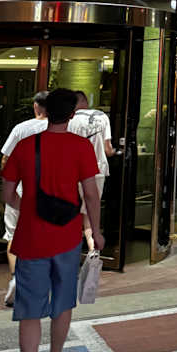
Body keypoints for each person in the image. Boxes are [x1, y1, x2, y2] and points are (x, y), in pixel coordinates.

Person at [1, 87, 103, 352]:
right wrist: (96, 232)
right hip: (67, 236)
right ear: (71, 114)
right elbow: (91, 195)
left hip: (31, 237)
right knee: (62, 301)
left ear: (43, 111)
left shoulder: (26, 145)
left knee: (30, 309)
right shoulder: (81, 146)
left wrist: (28, 208)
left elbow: (7, 193)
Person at [0, 92, 49, 308]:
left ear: (36, 106)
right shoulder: (63, 129)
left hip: (21, 189)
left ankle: (16, 279)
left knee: (13, 235)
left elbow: (6, 159)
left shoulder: (21, 128)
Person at [68, 90, 115, 251]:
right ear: (86, 102)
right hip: (98, 169)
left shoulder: (70, 119)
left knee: (71, 208)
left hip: (75, 170)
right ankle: (92, 248)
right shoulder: (102, 117)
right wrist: (116, 152)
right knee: (90, 210)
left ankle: (69, 247)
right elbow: (108, 149)